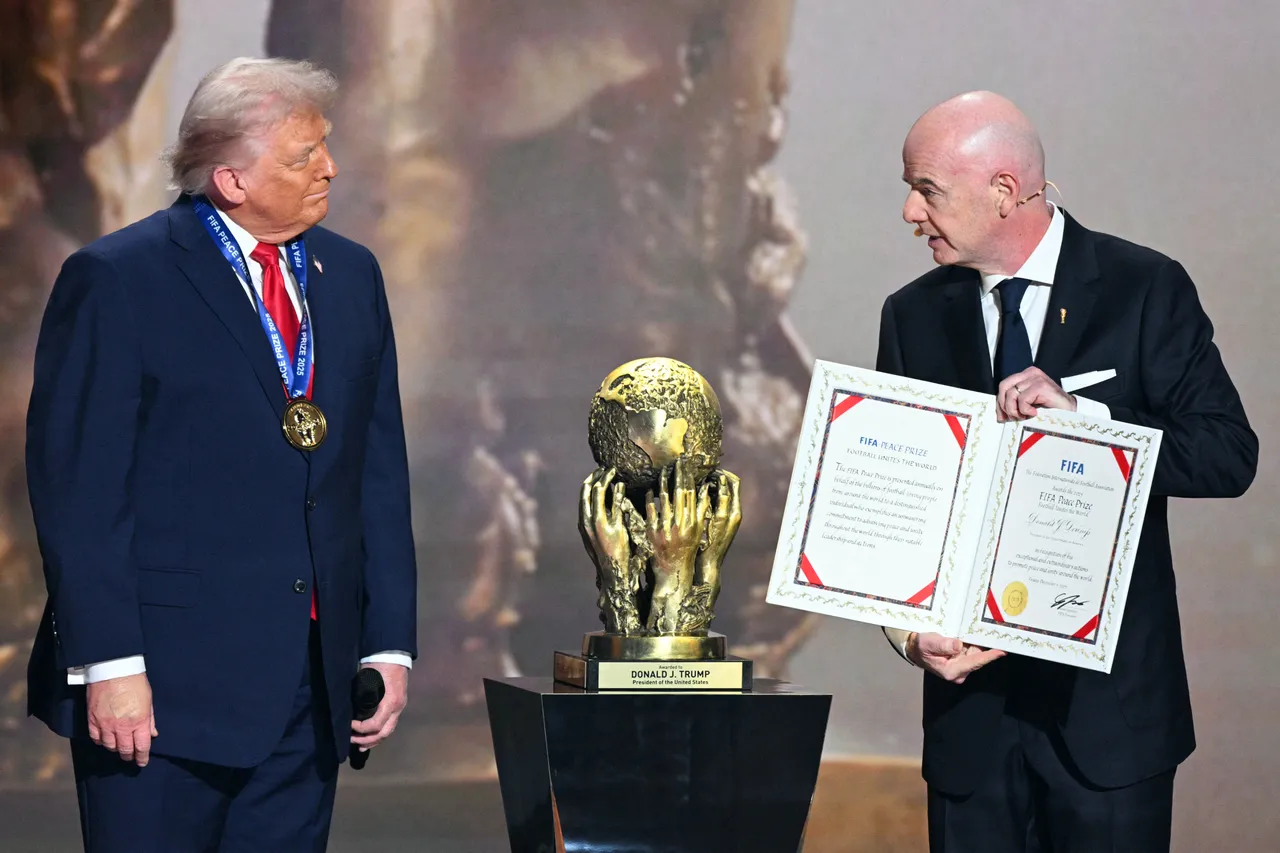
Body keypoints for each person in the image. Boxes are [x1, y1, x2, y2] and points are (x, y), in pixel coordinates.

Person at [24, 57, 418, 851]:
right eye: (304, 155)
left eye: (325, 147)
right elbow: (81, 492)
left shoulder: (351, 275)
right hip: (161, 693)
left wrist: (386, 641)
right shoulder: (117, 279)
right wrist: (110, 665)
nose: (329, 168)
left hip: (311, 689)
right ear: (232, 180)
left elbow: (376, 470)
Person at [878, 91, 1257, 853]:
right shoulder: (911, 314)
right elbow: (901, 507)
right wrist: (906, 633)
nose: (911, 215)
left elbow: (1226, 453)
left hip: (1108, 724)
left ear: (1004, 192)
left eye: (927, 190)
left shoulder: (1143, 287)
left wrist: (1087, 427)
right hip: (970, 726)